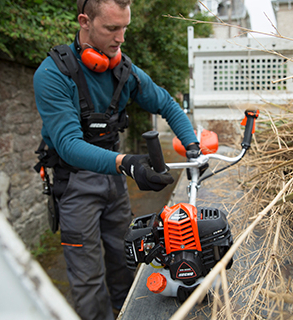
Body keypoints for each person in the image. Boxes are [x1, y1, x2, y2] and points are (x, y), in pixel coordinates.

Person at [33, 0, 199, 319]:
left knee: (127, 261)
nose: (121, 37)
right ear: (85, 21)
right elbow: (68, 145)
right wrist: (128, 163)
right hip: (74, 186)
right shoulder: (53, 74)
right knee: (88, 281)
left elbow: (166, 103)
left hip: (113, 182)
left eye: (125, 27)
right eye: (112, 28)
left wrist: (192, 145)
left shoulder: (123, 70)